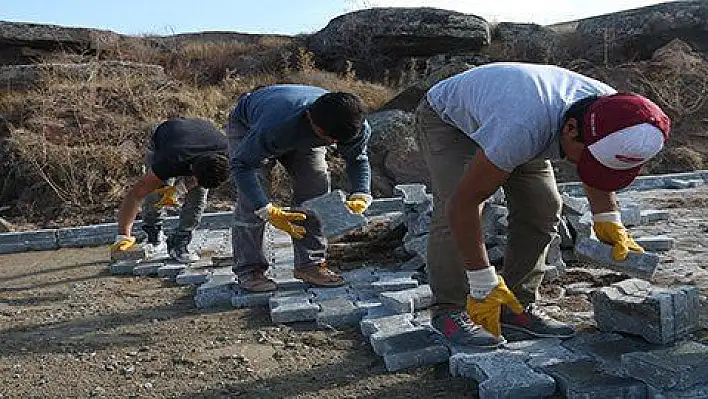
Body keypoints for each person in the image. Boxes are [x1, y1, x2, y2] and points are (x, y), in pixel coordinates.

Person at [414, 62, 671, 349]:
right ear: (571, 129)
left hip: (516, 114)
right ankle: (450, 311)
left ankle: (515, 306)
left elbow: (597, 164)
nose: (589, 165)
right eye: (587, 158)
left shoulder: (619, 112)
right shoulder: (522, 129)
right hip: (449, 121)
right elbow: (465, 204)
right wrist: (482, 280)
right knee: (454, 206)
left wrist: (608, 216)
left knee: (543, 207)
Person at [227, 84, 373, 292]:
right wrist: (265, 209)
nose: (332, 143)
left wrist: (361, 192)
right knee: (252, 199)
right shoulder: (274, 125)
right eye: (328, 138)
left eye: (336, 141)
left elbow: (357, 159)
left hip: (302, 134)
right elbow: (242, 166)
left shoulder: (353, 126)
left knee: (316, 189)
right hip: (249, 126)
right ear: (310, 118)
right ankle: (249, 270)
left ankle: (310, 264)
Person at [110, 118, 229, 263]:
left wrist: (180, 189)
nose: (194, 183)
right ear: (191, 169)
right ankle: (153, 234)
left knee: (198, 196)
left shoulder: (227, 154)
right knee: (157, 192)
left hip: (199, 133)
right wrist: (123, 236)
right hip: (166, 137)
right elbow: (136, 195)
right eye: (194, 179)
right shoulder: (169, 160)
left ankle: (180, 241)